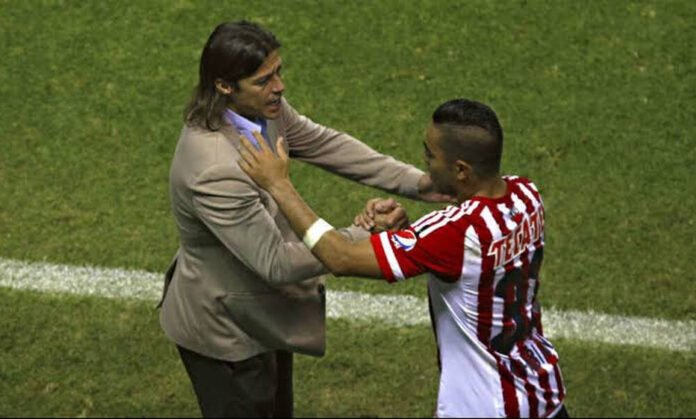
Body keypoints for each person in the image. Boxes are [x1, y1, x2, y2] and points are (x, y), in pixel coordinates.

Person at [158, 21, 446, 418]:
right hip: (228, 333)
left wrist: (420, 184)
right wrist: (361, 232)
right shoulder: (214, 169)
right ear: (224, 86)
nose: (279, 87)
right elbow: (276, 262)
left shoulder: (257, 110)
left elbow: (324, 143)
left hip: (262, 312)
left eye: (278, 72)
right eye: (263, 80)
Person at [239, 98, 569, 418]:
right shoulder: (526, 195)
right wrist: (410, 235)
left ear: (461, 170)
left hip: (485, 405)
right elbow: (465, 255)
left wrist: (279, 185)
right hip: (542, 392)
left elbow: (340, 257)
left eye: (431, 154)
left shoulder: (454, 234)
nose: (426, 161)